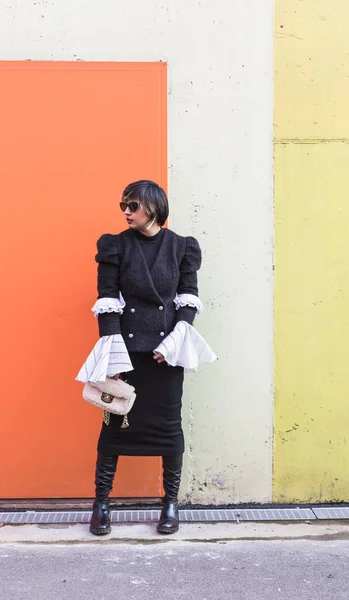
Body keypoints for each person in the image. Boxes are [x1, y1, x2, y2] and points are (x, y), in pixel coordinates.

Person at [78, 180, 215, 537]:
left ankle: (170, 503)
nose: (126, 211)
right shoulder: (115, 246)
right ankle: (101, 503)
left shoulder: (181, 247)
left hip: (166, 358)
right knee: (115, 427)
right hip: (127, 357)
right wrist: (115, 358)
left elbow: (187, 298)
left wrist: (173, 341)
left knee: (168, 428)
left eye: (133, 205)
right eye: (123, 204)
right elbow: (107, 301)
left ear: (153, 207)